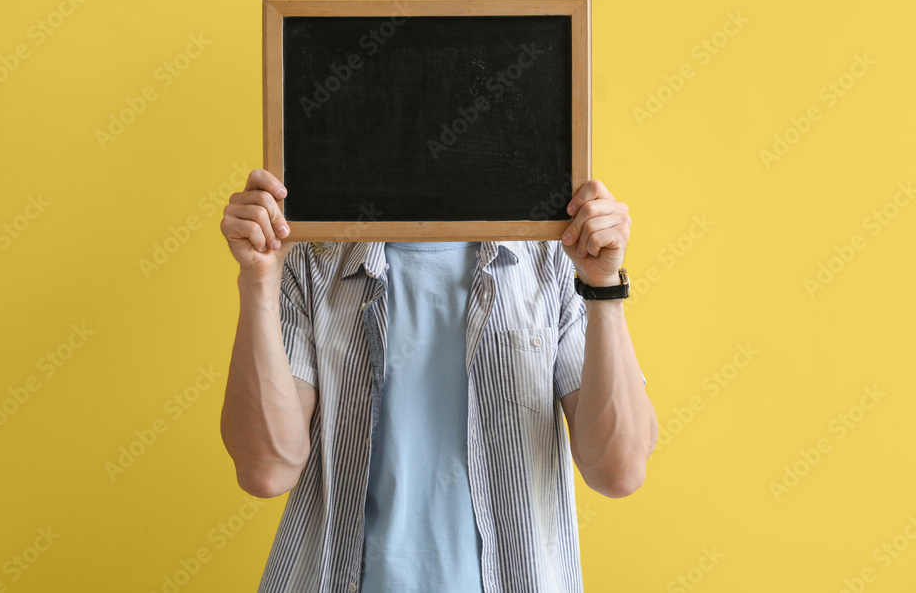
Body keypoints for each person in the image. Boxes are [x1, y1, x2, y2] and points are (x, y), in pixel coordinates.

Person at [219, 168, 658, 592]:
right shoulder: (313, 263)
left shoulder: (553, 262)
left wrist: (602, 286)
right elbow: (267, 470)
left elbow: (617, 470)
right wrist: (258, 280)